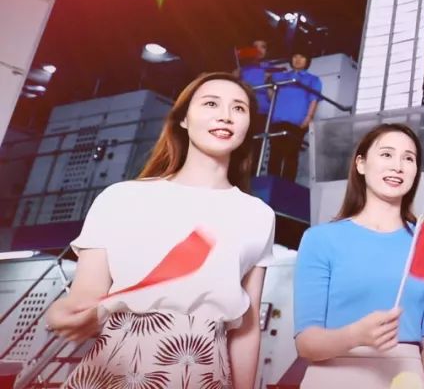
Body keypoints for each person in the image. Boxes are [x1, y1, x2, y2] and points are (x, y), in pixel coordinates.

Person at [46, 73, 276, 389]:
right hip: (114, 368)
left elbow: (246, 330)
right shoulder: (121, 198)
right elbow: (85, 295)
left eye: (239, 108)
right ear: (183, 119)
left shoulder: (257, 215)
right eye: (211, 104)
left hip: (203, 373)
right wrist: (63, 313)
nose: (225, 115)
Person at [293, 124, 424, 389]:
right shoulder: (320, 239)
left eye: (408, 158)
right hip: (332, 379)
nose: (398, 166)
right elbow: (306, 344)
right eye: (387, 154)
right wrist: (356, 335)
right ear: (361, 164)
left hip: (405, 379)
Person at [267, 51, 322, 182]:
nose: (297, 59)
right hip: (278, 120)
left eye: (302, 56)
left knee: (291, 155)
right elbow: (270, 92)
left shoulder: (313, 79)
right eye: (295, 56)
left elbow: (314, 100)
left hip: (297, 122)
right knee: (274, 155)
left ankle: (287, 186)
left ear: (307, 60)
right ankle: (271, 184)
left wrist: (308, 117)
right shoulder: (281, 76)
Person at [236, 39, 273, 138]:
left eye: (263, 47)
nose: (259, 50)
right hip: (247, 111)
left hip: (265, 112)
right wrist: (235, 77)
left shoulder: (272, 68)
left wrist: (269, 79)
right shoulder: (242, 70)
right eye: (255, 47)